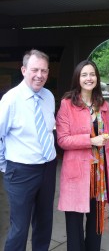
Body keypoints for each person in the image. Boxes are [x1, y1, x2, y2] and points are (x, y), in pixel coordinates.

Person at [56, 59, 109, 251]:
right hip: (76, 174)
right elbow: (63, 140)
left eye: (92, 74)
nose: (89, 78)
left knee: (96, 225)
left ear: (97, 78)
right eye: (84, 74)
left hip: (99, 175)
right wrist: (90, 140)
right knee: (74, 227)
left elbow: (108, 143)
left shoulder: (103, 105)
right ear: (78, 78)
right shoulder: (67, 104)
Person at [0, 49, 57, 251]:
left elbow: (50, 128)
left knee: (44, 222)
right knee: (20, 227)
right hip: (21, 170)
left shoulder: (49, 96)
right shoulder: (10, 100)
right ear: (24, 70)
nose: (39, 75)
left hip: (48, 168)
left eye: (44, 70)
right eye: (34, 70)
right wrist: (6, 166)